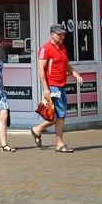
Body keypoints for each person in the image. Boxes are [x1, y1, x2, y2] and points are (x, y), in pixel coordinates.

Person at [31, 24, 83, 153]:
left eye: (63, 34)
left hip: (61, 85)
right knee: (60, 114)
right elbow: (40, 70)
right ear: (52, 34)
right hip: (52, 85)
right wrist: (46, 89)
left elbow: (66, 65)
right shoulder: (45, 49)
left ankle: (37, 129)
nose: (62, 37)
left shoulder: (62, 48)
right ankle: (59, 144)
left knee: (60, 115)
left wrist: (76, 75)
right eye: (59, 34)